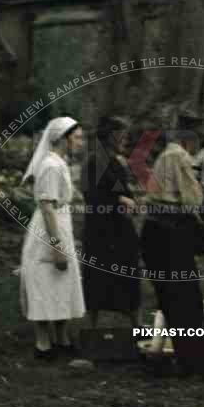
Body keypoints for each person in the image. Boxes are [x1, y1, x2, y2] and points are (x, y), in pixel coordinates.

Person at [141, 114, 204, 375]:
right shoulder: (178, 157)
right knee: (184, 300)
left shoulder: (169, 155)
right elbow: (191, 203)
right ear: (191, 137)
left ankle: (186, 354)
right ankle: (189, 359)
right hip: (169, 234)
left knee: (173, 298)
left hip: (159, 232)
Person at [20, 117, 85, 360]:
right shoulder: (50, 165)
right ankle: (43, 343)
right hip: (49, 228)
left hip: (60, 223)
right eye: (77, 137)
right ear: (63, 138)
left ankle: (62, 338)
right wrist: (56, 246)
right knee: (45, 280)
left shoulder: (60, 163)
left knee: (62, 280)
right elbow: (47, 207)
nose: (81, 142)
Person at [82, 116, 141, 329]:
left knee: (128, 273)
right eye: (121, 135)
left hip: (120, 228)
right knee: (98, 277)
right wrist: (119, 200)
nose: (125, 139)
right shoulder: (94, 161)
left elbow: (124, 191)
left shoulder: (115, 162)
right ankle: (93, 327)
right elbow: (92, 196)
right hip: (101, 229)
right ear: (109, 136)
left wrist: (131, 200)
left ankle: (135, 322)